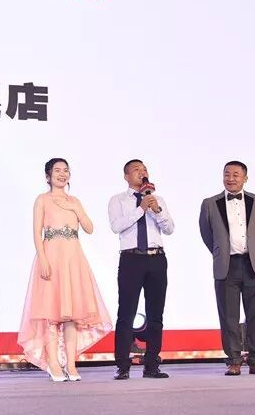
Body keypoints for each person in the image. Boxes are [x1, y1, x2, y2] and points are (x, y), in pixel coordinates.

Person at [18, 158, 112, 382]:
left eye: (66, 170)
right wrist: (43, 259)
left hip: (73, 260)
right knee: (51, 314)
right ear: (48, 176)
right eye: (57, 170)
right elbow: (36, 233)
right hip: (51, 257)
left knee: (72, 315)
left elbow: (89, 228)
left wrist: (76, 209)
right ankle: (53, 363)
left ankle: (71, 363)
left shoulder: (74, 201)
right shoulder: (42, 200)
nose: (62, 174)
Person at [199, 161, 255, 376]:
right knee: (229, 316)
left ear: (245, 178)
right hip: (226, 265)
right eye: (227, 174)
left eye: (236, 174)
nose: (231, 178)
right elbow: (207, 234)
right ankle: (233, 360)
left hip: (253, 263)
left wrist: (253, 250)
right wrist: (221, 252)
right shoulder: (209, 203)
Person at [108, 159, 174, 380]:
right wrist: (141, 208)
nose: (142, 172)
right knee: (126, 313)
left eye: (144, 169)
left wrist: (157, 210)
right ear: (126, 176)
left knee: (156, 314)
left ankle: (152, 365)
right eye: (136, 169)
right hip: (131, 259)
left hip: (157, 259)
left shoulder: (158, 199)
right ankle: (123, 366)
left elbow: (170, 229)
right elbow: (116, 226)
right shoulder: (117, 200)